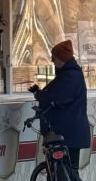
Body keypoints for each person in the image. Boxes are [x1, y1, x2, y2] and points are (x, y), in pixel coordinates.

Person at [31, 40, 90, 170]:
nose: (52, 61)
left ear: (61, 59)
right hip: (69, 131)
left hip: (67, 132)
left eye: (54, 58)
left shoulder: (70, 76)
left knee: (65, 170)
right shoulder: (69, 74)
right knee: (68, 170)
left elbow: (57, 98)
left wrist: (39, 95)